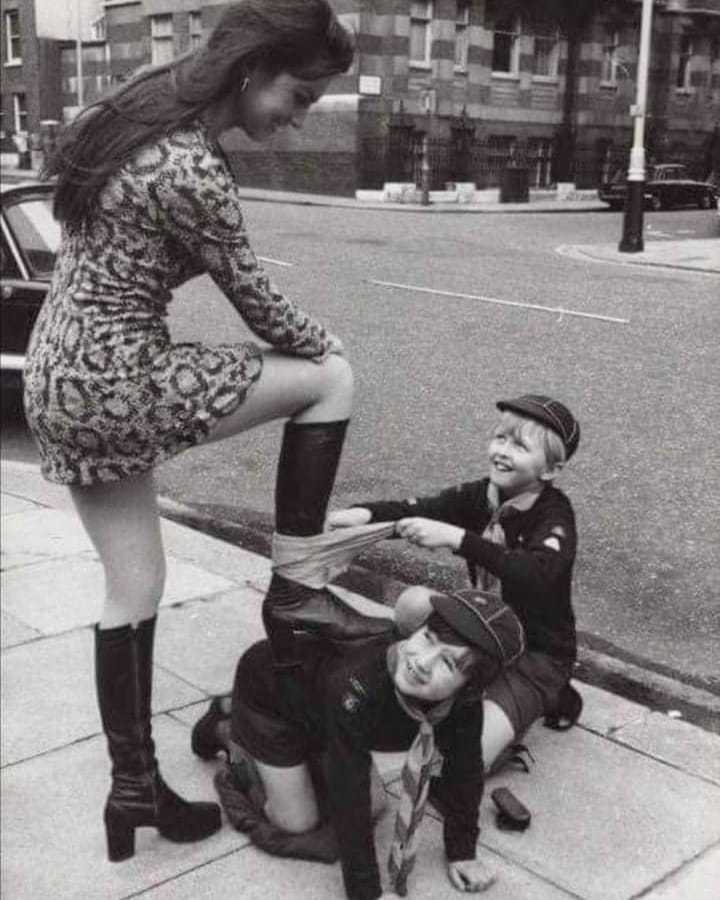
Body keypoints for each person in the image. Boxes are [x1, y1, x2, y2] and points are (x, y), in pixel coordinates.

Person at [23, 0, 390, 864]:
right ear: (252, 67)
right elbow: (257, 302)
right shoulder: (189, 163)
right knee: (330, 377)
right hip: (117, 378)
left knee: (136, 583)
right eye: (298, 95)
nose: (299, 118)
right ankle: (298, 584)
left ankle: (134, 789)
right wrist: (325, 341)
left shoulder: (134, 112)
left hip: (59, 371)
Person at [193, 588, 526, 899]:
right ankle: (228, 732)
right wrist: (367, 892)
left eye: (448, 663)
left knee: (375, 805)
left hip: (322, 713)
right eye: (427, 639)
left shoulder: (463, 705)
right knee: (299, 824)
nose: (422, 662)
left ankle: (269, 741)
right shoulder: (361, 684)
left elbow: (464, 769)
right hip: (271, 700)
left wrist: (462, 852)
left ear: (469, 689)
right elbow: (347, 790)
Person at [328, 394, 582, 774]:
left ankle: (550, 693)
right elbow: (420, 508)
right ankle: (463, 683)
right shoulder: (483, 495)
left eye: (519, 445)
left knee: (464, 763)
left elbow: (535, 573)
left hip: (535, 652)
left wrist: (458, 538)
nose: (502, 451)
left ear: (550, 470)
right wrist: (363, 515)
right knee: (413, 605)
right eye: (500, 438)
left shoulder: (555, 517)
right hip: (480, 628)